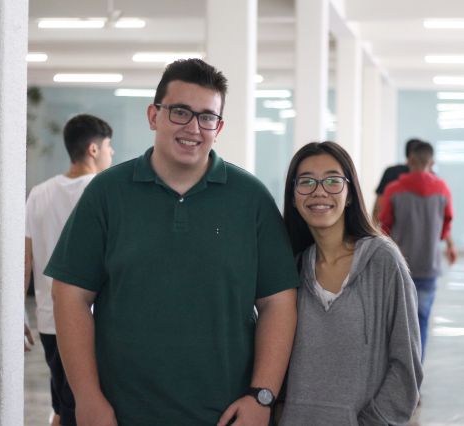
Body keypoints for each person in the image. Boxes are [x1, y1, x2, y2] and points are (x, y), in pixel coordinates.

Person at [45, 59, 299, 426]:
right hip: (121, 415)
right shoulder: (107, 194)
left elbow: (279, 303)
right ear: (154, 116)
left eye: (207, 117)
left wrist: (262, 396)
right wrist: (87, 397)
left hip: (225, 416)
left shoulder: (251, 199)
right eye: (180, 112)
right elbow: (70, 295)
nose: (193, 128)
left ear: (219, 127)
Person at [279, 141, 422, 425]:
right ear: (293, 197)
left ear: (350, 195)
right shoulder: (292, 268)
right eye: (306, 181)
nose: (319, 191)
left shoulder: (383, 261)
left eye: (333, 180)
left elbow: (406, 368)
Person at [24, 114, 115, 426]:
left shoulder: (38, 193)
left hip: (49, 321)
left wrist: (19, 313)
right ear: (93, 149)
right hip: (89, 323)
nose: (111, 153)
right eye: (108, 146)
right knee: (84, 410)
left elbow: (25, 259)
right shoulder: (102, 192)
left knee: (64, 407)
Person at [379, 141, 457, 361]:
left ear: (410, 160)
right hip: (429, 266)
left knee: (394, 323)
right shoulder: (442, 189)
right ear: (431, 162)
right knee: (421, 321)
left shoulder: (394, 190)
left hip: (399, 267)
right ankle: (415, 372)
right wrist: (438, 239)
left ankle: (395, 369)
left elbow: (384, 226)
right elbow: (447, 221)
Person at [372, 138, 422, 222]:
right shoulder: (430, 178)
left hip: (392, 227)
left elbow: (378, 205)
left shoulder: (391, 172)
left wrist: (374, 225)